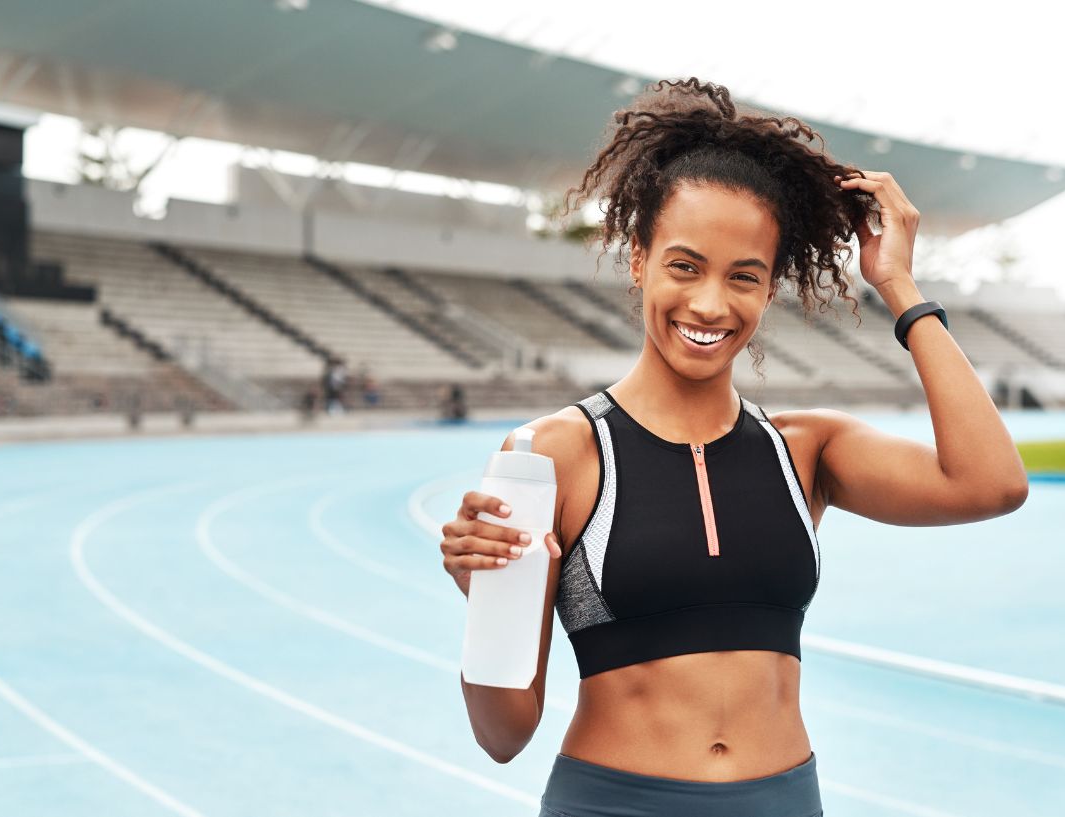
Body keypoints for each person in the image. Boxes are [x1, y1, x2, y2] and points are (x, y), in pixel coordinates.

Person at [439, 78, 1028, 817]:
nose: (711, 304)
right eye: (684, 265)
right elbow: (503, 734)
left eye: (744, 277)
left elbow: (991, 483)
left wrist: (898, 285)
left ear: (771, 285)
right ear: (637, 258)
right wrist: (487, 604)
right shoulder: (555, 455)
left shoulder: (807, 452)